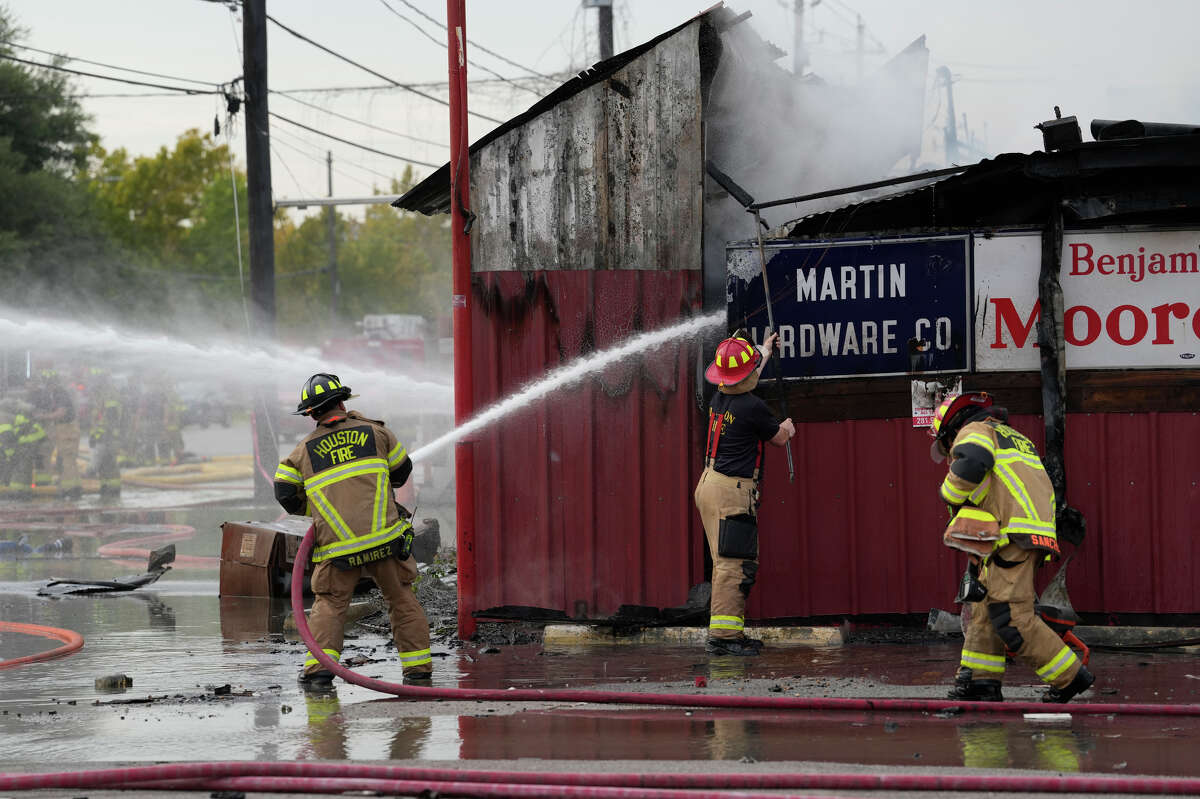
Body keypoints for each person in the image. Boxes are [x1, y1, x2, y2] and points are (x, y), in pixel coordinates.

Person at [930, 391, 1095, 704]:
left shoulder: (974, 431)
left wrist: (948, 494)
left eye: (946, 445)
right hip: (1020, 531)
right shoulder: (1012, 436)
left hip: (1013, 532)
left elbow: (973, 463)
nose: (948, 453)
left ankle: (1070, 677)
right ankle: (982, 682)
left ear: (952, 430)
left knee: (1012, 617)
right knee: (983, 608)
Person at [273, 373, 432, 688]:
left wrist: (318, 511)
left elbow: (286, 495)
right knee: (401, 598)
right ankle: (418, 672)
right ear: (343, 402)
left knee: (330, 605)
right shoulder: (377, 432)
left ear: (311, 413)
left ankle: (319, 673)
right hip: (386, 541)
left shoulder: (300, 453)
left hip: (338, 548)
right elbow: (401, 472)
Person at [694, 331, 795, 656]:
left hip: (709, 485)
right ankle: (724, 638)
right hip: (731, 493)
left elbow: (744, 377)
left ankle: (729, 633)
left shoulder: (720, 397)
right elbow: (778, 438)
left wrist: (763, 351)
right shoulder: (753, 407)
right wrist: (788, 428)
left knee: (724, 562)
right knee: (734, 564)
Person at [30, 369, 82, 499]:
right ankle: (74, 488)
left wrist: (43, 417)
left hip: (67, 430)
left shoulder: (59, 394)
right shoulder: (57, 393)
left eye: (47, 383)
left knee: (67, 460)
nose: (47, 386)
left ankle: (69, 489)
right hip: (65, 429)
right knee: (68, 459)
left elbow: (61, 413)